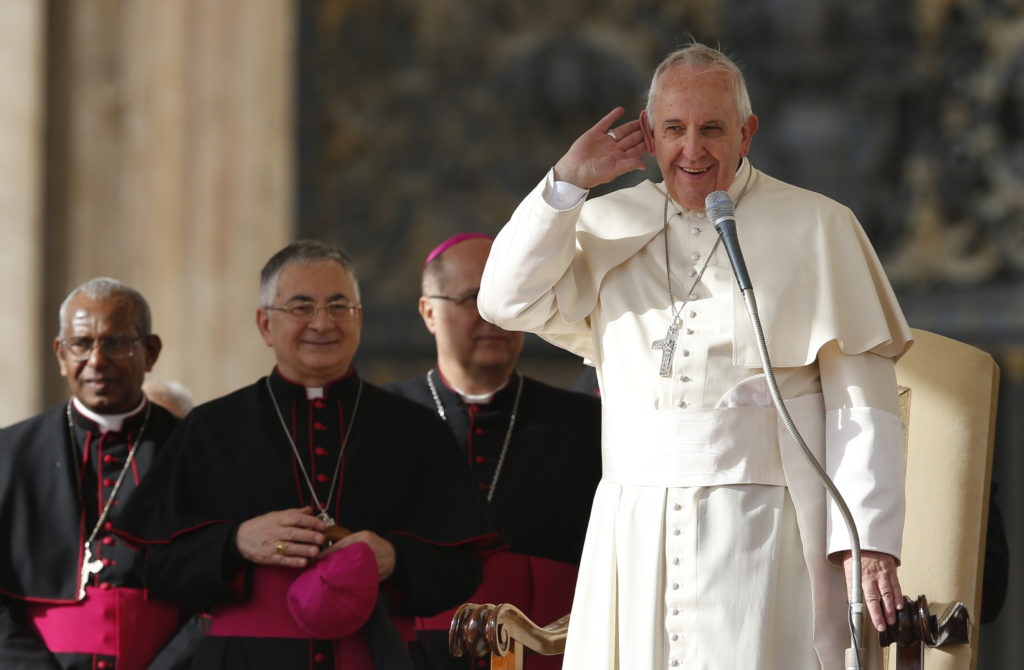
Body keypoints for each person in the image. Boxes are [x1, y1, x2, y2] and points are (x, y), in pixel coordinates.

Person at [477, 42, 913, 669]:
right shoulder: (603, 222)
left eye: (713, 128)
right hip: (635, 526)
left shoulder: (819, 226)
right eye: (674, 130)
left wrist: (867, 542)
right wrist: (566, 183)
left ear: (748, 133)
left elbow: (862, 402)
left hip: (765, 529)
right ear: (649, 136)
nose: (693, 150)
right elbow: (502, 299)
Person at [114, 240, 498, 670]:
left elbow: (463, 570)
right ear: (264, 325)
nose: (322, 322)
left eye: (339, 307)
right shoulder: (211, 428)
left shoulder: (416, 429)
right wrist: (235, 542)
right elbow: (152, 568)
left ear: (359, 320)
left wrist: (396, 558)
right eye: (301, 307)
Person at [387, 233, 602, 669]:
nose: (493, 316)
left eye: (506, 298)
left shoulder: (583, 423)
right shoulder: (382, 419)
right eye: (473, 298)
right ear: (429, 311)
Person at [0, 278, 194, 669]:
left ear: (151, 352)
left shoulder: (197, 452)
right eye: (81, 344)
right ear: (60, 354)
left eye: (116, 343)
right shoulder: (8, 454)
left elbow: (222, 591)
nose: (96, 361)